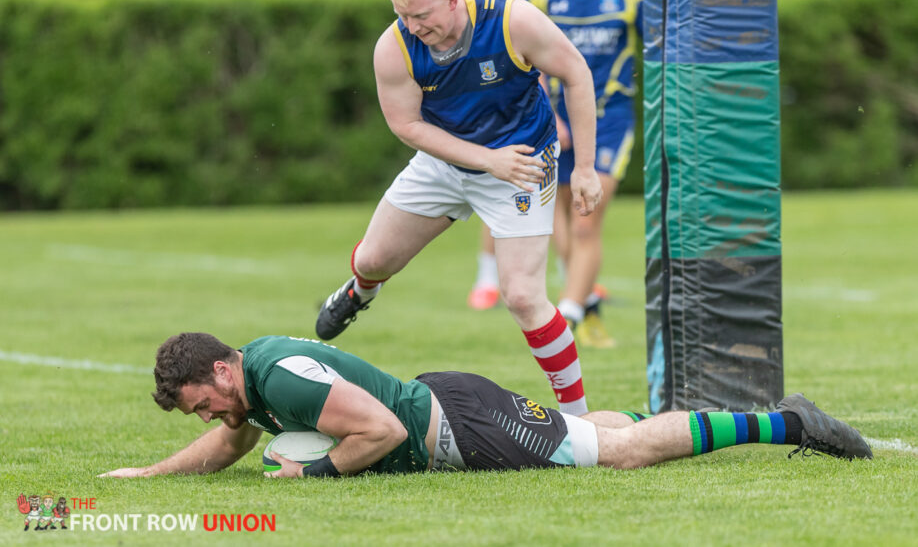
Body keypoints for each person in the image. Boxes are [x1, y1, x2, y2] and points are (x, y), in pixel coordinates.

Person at [314, 0, 602, 415]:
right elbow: (407, 126)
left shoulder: (512, 20)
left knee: (523, 296)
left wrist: (585, 168)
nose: (412, 27)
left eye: (420, 15)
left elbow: (576, 73)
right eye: (402, 15)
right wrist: (487, 160)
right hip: (446, 161)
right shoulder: (394, 48)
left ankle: (580, 418)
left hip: (524, 161)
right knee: (372, 258)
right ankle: (360, 291)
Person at [100, 333, 872, 480]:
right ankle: (679, 416)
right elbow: (231, 443)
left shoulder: (280, 379)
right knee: (584, 430)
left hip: (459, 427)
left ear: (222, 369)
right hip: (452, 404)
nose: (210, 417)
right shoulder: (255, 382)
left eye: (204, 403)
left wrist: (319, 474)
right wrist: (151, 475)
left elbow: (383, 431)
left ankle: (789, 422)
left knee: (620, 456)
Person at [529, 0, 644, 348]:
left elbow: (661, 48)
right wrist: (551, 114)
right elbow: (530, 60)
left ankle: (568, 316)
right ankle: (588, 302)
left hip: (610, 120)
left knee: (585, 220)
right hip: (558, 121)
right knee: (556, 218)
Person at [467, 0, 564, 311]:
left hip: (550, 90)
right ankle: (485, 279)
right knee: (499, 182)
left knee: (556, 189)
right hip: (508, 96)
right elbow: (479, 33)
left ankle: (570, 277)